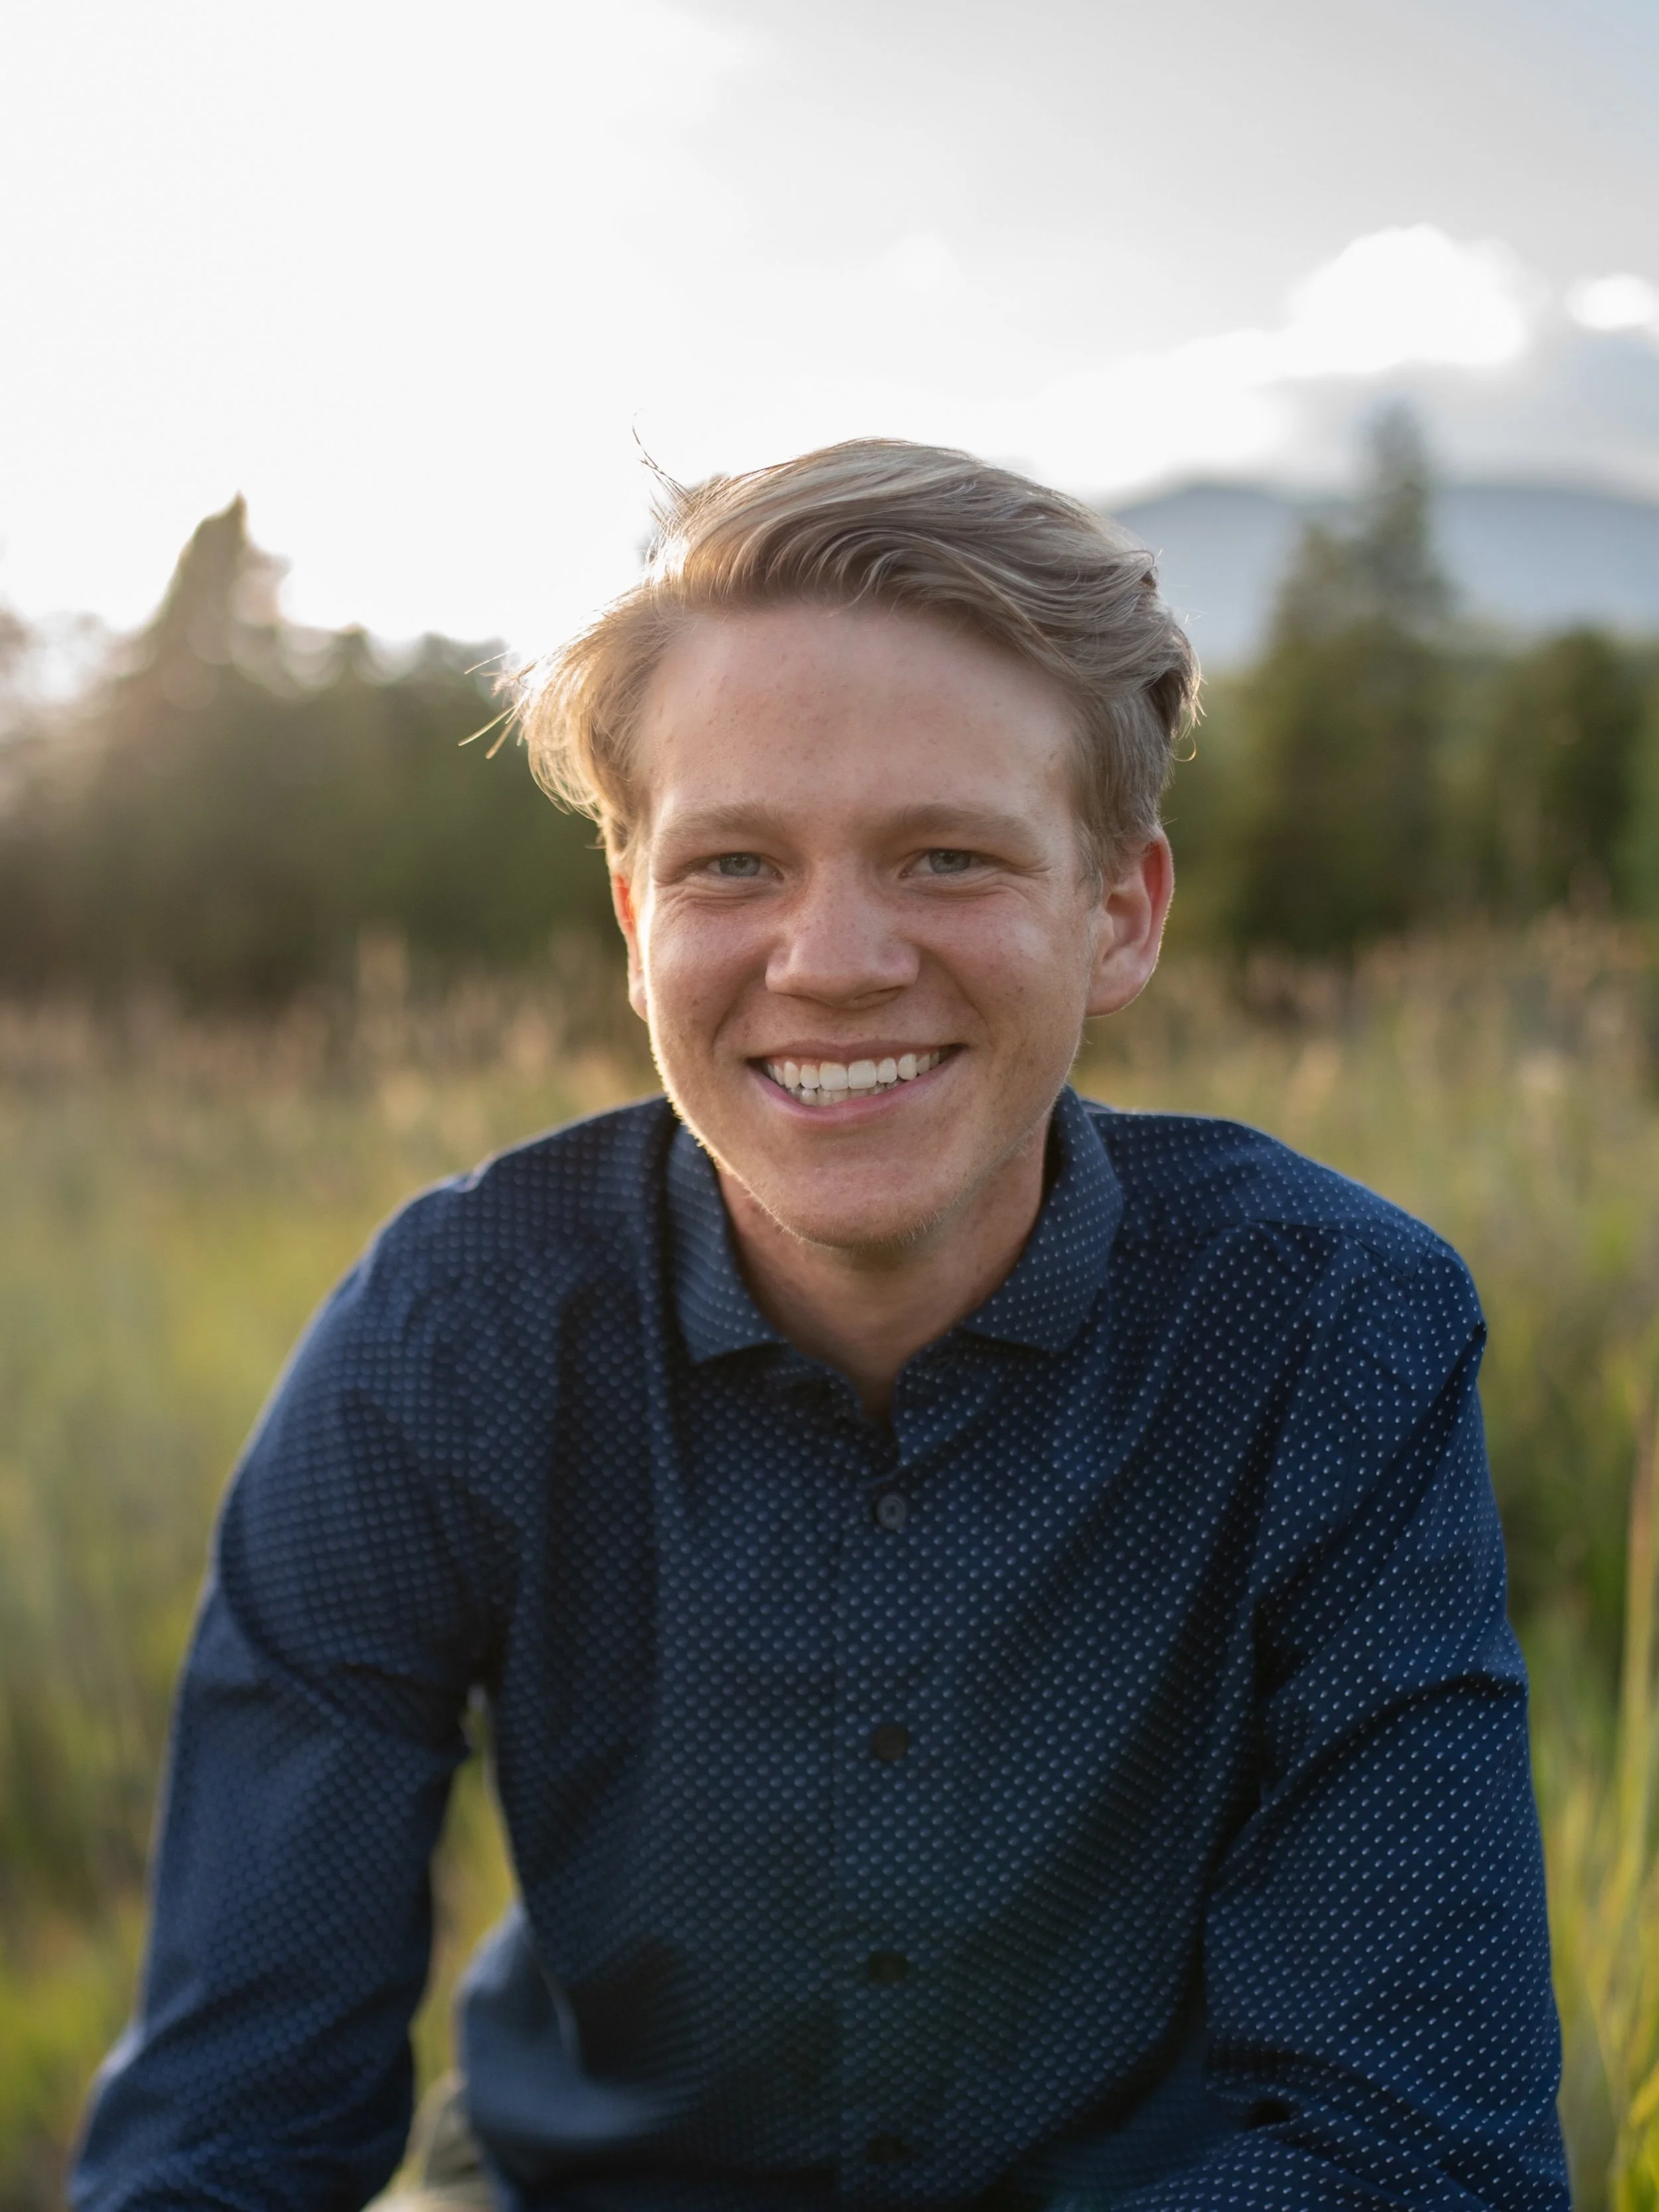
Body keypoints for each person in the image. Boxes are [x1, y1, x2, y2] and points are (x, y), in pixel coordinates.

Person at [74, 441, 1568, 2211]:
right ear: (633, 920)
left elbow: (1417, 2149)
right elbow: (227, 2127)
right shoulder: (447, 1335)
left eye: (944, 856)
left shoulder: (1331, 1332)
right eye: (730, 866)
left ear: (1117, 912)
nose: (834, 957)